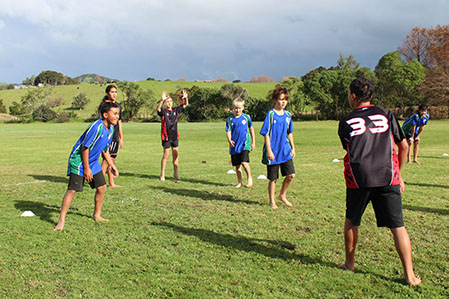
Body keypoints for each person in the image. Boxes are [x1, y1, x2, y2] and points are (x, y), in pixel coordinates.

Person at [338, 77, 421, 286]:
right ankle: (410, 276)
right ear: (371, 96)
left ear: (353, 96)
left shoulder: (346, 121)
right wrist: (398, 175)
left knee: (352, 220)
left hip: (359, 177)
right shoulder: (387, 114)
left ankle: (349, 264)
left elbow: (350, 148)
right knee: (398, 226)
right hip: (387, 176)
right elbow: (404, 147)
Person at [54, 102, 120, 231]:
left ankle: (97, 215)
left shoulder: (111, 129)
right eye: (115, 113)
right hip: (79, 161)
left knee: (101, 188)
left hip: (93, 162)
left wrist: (111, 165)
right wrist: (86, 168)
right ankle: (61, 221)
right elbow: (85, 148)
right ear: (105, 114)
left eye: (118, 113)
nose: (117, 116)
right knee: (73, 190)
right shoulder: (96, 127)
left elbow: (105, 149)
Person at [260, 86, 296, 209]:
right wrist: (269, 151)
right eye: (281, 99)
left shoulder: (288, 115)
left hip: (285, 150)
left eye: (285, 100)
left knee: (291, 175)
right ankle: (272, 201)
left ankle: (282, 195)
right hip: (273, 151)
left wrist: (293, 147)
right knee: (273, 178)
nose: (283, 102)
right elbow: (266, 133)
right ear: (275, 100)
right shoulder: (270, 114)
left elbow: (289, 132)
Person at [156, 89, 189, 181]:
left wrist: (185, 98)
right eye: (167, 102)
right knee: (166, 156)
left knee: (175, 155)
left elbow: (185, 105)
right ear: (165, 103)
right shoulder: (163, 111)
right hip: (166, 137)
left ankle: (176, 173)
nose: (169, 103)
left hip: (175, 137)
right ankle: (162, 174)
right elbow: (158, 109)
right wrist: (162, 100)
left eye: (170, 101)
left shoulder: (176, 110)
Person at [225, 98, 256, 188]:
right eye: (235, 108)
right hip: (234, 145)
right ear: (233, 108)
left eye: (239, 108)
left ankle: (249, 178)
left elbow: (251, 129)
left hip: (245, 144)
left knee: (244, 162)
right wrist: (229, 140)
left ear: (243, 108)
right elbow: (228, 131)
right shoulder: (230, 119)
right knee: (237, 166)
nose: (237, 110)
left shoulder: (246, 117)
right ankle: (239, 182)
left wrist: (253, 142)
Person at [99, 85, 124, 187]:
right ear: (107, 93)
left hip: (115, 135)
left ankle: (111, 183)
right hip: (108, 135)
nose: (114, 94)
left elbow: (120, 122)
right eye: (112, 92)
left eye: (116, 92)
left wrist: (121, 137)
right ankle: (100, 182)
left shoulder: (118, 106)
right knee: (106, 160)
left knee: (112, 159)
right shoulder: (104, 106)